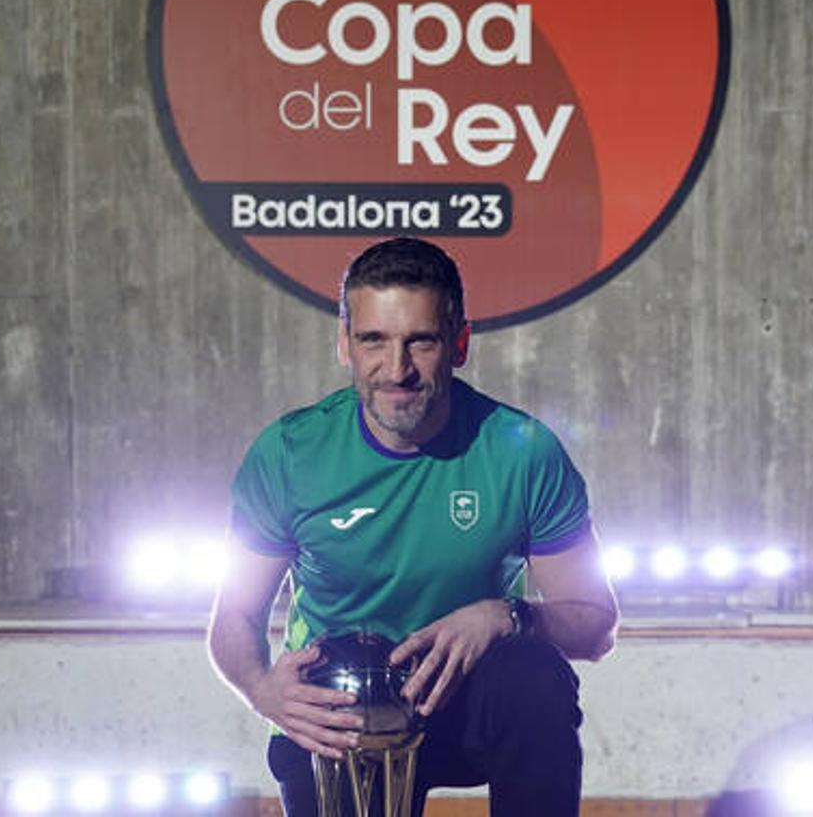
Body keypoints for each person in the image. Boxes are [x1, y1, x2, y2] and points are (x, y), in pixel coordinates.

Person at [208, 237, 619, 816]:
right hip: (342, 710)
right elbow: (235, 616)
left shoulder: (521, 451)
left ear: (459, 344)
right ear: (344, 343)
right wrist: (260, 688)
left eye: (419, 341)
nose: (396, 369)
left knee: (532, 675)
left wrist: (507, 615)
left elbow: (595, 624)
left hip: (468, 697)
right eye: (373, 339)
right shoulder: (290, 453)